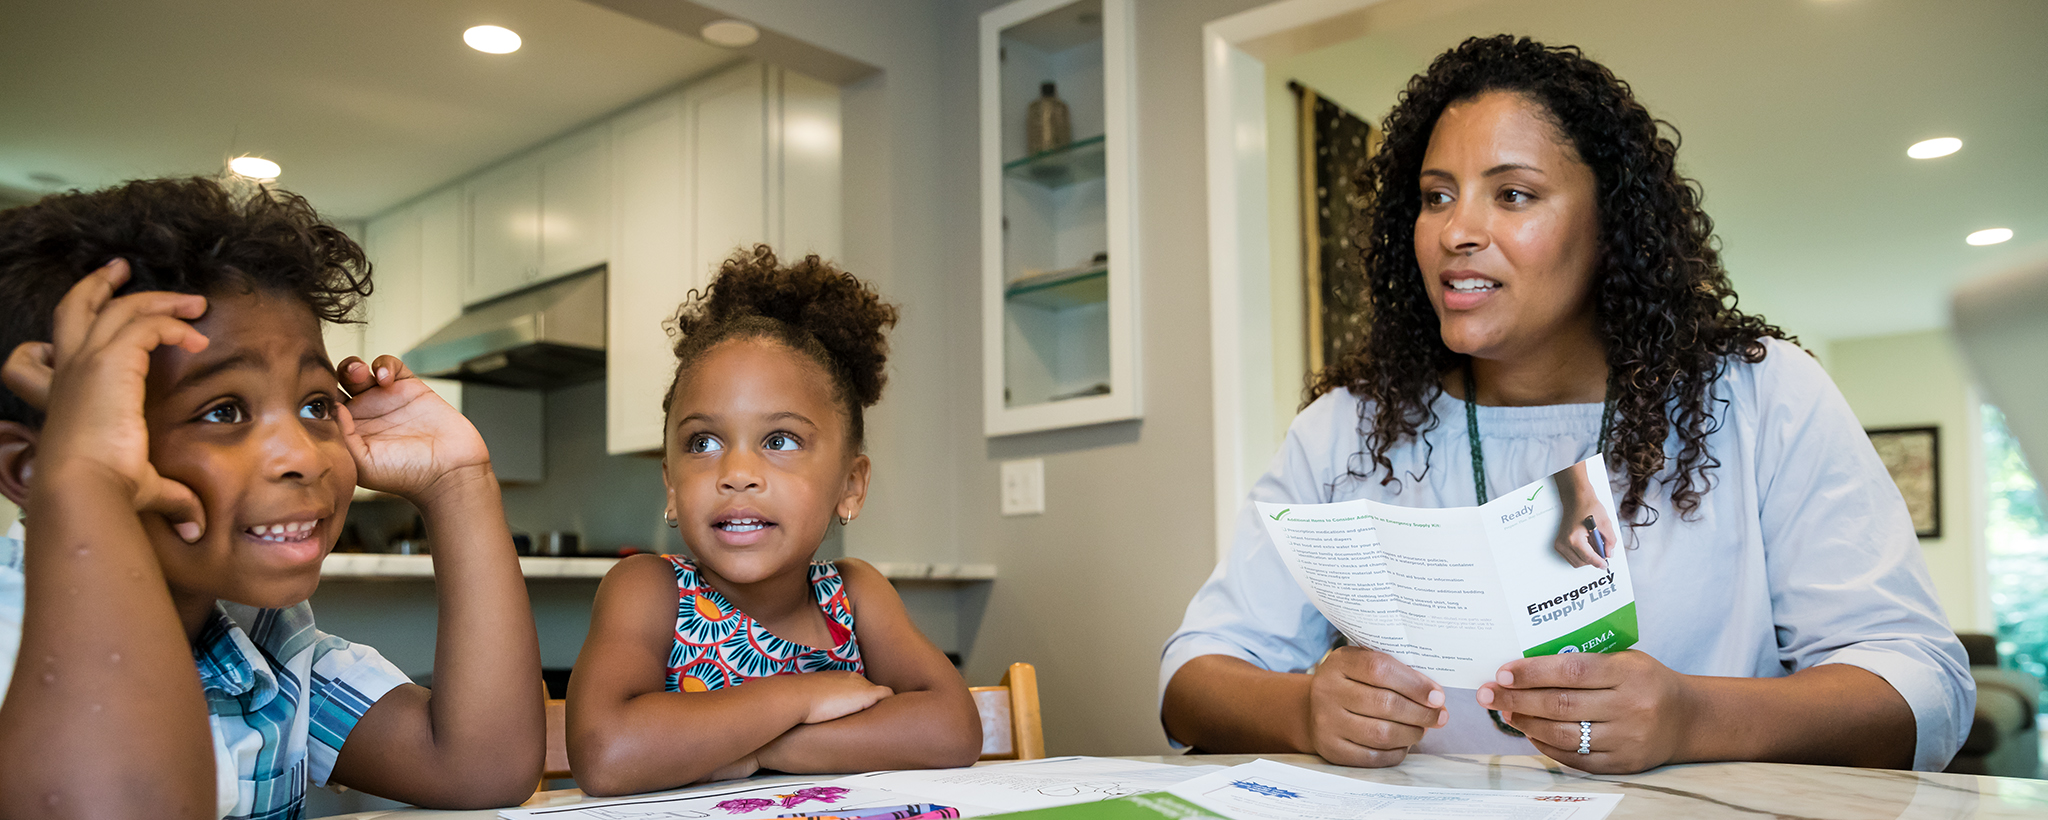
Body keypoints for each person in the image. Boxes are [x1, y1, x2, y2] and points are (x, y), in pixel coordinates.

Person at [1160, 35, 1972, 774]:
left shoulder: (1762, 396)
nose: (1456, 231)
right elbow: (1193, 676)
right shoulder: (1349, 428)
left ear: (1611, 224)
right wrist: (1302, 709)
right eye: (1436, 196)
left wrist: (1696, 718)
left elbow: (1922, 684)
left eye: (1512, 195)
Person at [0, 178, 545, 818]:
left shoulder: (265, 646)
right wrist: (87, 481)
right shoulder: (16, 655)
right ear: (34, 468)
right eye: (222, 410)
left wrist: (459, 484)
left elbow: (480, 768)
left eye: (316, 404)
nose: (303, 455)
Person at [567, 245, 980, 796]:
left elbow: (952, 730)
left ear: (850, 486)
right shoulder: (648, 590)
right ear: (670, 484)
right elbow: (607, 754)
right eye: (703, 442)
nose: (737, 473)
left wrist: (761, 749)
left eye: (780, 440)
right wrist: (801, 697)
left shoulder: (856, 596)